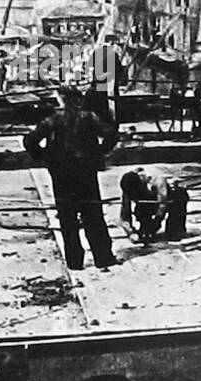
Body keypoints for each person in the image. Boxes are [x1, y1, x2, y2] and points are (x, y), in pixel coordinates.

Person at [23, 87, 120, 270]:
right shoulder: (90, 117)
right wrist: (99, 152)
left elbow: (30, 141)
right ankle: (103, 257)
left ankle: (75, 261)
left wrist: (45, 157)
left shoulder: (53, 120)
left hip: (61, 171)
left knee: (67, 217)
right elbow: (112, 135)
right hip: (85, 170)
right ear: (79, 100)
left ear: (62, 100)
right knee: (93, 215)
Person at [118, 167, 189, 242]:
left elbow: (162, 205)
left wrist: (157, 221)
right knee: (142, 212)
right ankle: (145, 228)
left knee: (179, 196)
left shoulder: (156, 180)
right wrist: (130, 232)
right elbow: (125, 214)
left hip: (169, 195)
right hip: (147, 200)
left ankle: (174, 230)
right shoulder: (128, 184)